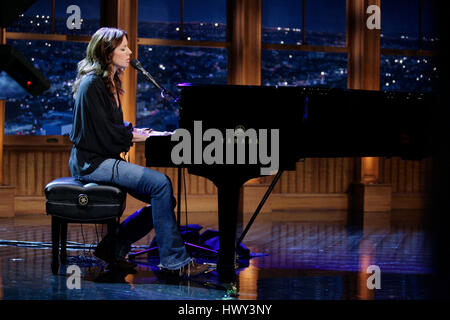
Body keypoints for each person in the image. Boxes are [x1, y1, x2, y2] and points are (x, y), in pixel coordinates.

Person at [69, 27, 208, 277]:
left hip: (102, 159)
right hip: (91, 163)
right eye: (123, 48)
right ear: (106, 52)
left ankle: (112, 248)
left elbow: (110, 126)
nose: (130, 52)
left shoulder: (107, 81)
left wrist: (147, 133)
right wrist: (138, 135)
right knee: (160, 184)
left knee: (165, 197)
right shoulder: (92, 84)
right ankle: (175, 262)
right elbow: (102, 133)